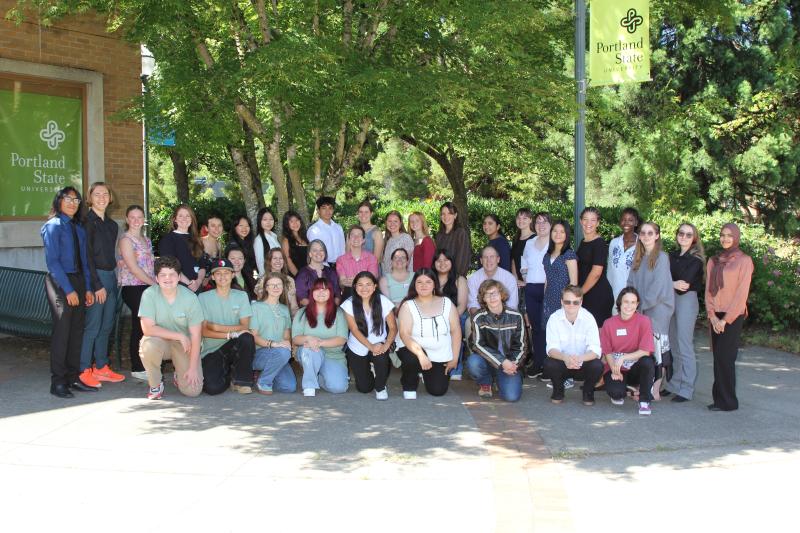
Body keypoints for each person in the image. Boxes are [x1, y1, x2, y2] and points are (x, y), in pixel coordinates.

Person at [41, 186, 96, 398]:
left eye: (76, 199)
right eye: (67, 199)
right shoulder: (53, 226)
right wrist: (69, 289)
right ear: (59, 201)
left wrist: (88, 288)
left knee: (77, 332)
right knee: (63, 333)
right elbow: (53, 263)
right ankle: (58, 382)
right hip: (60, 282)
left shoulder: (79, 228)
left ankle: (73, 378)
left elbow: (84, 262)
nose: (72, 203)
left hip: (80, 281)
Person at [138, 256, 204, 400]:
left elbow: (196, 336)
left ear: (179, 277)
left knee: (193, 391)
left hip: (185, 345)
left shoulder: (190, 298)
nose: (168, 278)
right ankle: (155, 384)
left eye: (172, 274)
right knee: (147, 345)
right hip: (161, 341)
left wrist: (192, 369)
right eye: (163, 275)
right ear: (156, 278)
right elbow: (148, 329)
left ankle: (179, 373)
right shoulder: (149, 294)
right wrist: (179, 335)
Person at [80, 182, 125, 387]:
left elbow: (108, 255)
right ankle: (84, 370)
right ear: (90, 197)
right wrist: (95, 285)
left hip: (110, 276)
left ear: (110, 197)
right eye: (96, 194)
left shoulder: (112, 225)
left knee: (107, 325)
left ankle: (101, 367)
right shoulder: (84, 222)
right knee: (93, 326)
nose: (101, 197)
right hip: (95, 278)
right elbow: (86, 257)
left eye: (105, 194)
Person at [705, 223, 753, 412]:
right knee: (718, 358)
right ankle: (719, 400)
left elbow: (742, 294)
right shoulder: (713, 261)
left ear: (736, 237)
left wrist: (725, 320)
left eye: (729, 235)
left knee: (726, 358)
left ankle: (729, 402)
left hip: (733, 315)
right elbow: (709, 291)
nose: (725, 238)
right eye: (722, 235)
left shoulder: (744, 261)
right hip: (715, 314)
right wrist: (712, 316)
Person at [627, 222, 675, 399]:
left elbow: (658, 289)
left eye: (650, 233)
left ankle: (655, 388)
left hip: (658, 309)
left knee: (657, 349)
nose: (646, 236)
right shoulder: (637, 256)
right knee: (644, 348)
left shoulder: (662, 257)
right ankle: (644, 385)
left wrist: (637, 307)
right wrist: (629, 302)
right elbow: (630, 282)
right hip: (640, 309)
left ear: (657, 236)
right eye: (643, 233)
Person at [396, 269, 462, 398]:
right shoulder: (407, 305)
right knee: (411, 359)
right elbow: (404, 334)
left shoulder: (447, 303)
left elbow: (456, 331)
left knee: (438, 391)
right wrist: (420, 355)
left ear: (434, 284)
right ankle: (409, 383)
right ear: (414, 285)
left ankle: (426, 373)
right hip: (413, 349)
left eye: (428, 282)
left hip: (440, 351)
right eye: (419, 282)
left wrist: (454, 358)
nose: (423, 285)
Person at [198, 258, 256, 395]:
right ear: (212, 277)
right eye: (218, 273)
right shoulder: (203, 297)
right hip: (212, 350)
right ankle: (230, 375)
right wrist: (229, 334)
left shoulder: (241, 296)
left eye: (226, 273)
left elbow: (245, 326)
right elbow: (204, 331)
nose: (222, 277)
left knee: (247, 338)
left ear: (233, 275)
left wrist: (216, 327)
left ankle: (241, 381)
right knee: (212, 389)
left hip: (235, 345)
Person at [543, 285, 604, 405]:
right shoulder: (554, 318)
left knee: (597, 365)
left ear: (581, 302)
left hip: (583, 363)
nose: (571, 305)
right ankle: (558, 390)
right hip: (563, 362)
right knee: (548, 363)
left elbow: (595, 350)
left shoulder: (589, 318)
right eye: (567, 302)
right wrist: (566, 358)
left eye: (575, 302)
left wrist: (579, 358)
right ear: (561, 302)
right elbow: (551, 349)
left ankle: (588, 391)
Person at [341, 272, 398, 400]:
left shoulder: (383, 301)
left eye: (368, 284)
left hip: (379, 344)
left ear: (375, 286)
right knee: (364, 388)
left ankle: (381, 386)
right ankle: (370, 372)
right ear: (355, 287)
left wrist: (386, 345)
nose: (364, 288)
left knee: (381, 357)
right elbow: (354, 330)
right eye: (360, 285)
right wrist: (370, 346)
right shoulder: (349, 303)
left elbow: (393, 328)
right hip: (357, 345)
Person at [600, 287, 656, 416]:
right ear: (619, 302)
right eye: (626, 302)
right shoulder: (608, 323)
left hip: (635, 367)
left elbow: (646, 351)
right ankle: (627, 389)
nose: (629, 306)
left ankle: (644, 401)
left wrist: (623, 358)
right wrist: (615, 369)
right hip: (615, 366)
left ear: (637, 304)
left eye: (633, 302)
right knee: (617, 395)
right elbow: (607, 351)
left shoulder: (644, 321)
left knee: (648, 362)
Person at [467, 280, 526, 402]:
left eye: (494, 293)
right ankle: (485, 383)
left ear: (501, 294)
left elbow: (522, 346)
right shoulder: (479, 317)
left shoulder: (516, 316)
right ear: (483, 299)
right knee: (473, 362)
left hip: (510, 363)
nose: (492, 297)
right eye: (487, 294)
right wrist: (501, 361)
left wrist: (513, 365)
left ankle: (504, 379)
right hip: (487, 361)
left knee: (511, 397)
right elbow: (477, 345)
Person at [666, 223, 705, 402]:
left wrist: (671, 283)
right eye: (681, 233)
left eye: (689, 235)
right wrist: (672, 283)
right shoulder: (671, 256)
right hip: (670, 299)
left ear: (694, 238)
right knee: (673, 343)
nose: (684, 237)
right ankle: (674, 383)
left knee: (684, 344)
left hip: (686, 301)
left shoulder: (696, 260)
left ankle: (686, 388)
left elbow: (684, 287)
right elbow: (666, 279)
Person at [117, 204, 156, 381]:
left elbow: (150, 265)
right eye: (132, 217)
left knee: (149, 326)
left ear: (144, 219)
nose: (136, 221)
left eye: (139, 217)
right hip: (133, 287)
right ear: (127, 219)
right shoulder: (125, 240)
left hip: (147, 286)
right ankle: (137, 366)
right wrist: (154, 283)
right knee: (140, 325)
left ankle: (149, 362)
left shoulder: (146, 240)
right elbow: (133, 268)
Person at [292, 277, 349, 396]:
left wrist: (319, 342)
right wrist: (309, 338)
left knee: (339, 388)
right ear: (312, 293)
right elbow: (296, 339)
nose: (321, 292)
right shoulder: (302, 312)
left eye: (325, 289)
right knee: (311, 350)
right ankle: (309, 386)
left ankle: (316, 375)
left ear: (331, 292)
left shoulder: (339, 313)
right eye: (317, 289)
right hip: (309, 352)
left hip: (333, 356)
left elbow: (342, 339)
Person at [250, 273, 297, 394]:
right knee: (282, 352)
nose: (276, 287)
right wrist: (273, 344)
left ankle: (266, 374)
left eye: (279, 285)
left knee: (289, 387)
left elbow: (286, 335)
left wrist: (286, 343)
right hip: (260, 353)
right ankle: (264, 381)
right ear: (266, 287)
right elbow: (253, 336)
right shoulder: (256, 307)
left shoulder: (284, 309)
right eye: (272, 285)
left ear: (283, 287)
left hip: (280, 354)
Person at [519, 212, 551, 375]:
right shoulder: (530, 243)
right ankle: (538, 363)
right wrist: (526, 278)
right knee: (536, 328)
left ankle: (548, 364)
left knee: (548, 327)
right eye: (538, 222)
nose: (541, 225)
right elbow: (523, 262)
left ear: (551, 225)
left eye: (545, 222)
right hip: (531, 289)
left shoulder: (555, 243)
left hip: (549, 290)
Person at [433, 248, 469, 380]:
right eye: (439, 260)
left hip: (456, 316)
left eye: (446, 260)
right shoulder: (430, 279)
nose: (442, 263)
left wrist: (448, 320)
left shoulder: (460, 280)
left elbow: (462, 305)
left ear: (451, 262)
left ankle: (455, 367)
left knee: (454, 328)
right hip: (434, 317)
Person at [576, 207, 614, 327]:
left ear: (598, 223)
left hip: (598, 295)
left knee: (597, 336)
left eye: (593, 220)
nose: (589, 223)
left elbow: (596, 272)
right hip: (586, 295)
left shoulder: (599, 243)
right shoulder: (583, 242)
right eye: (586, 219)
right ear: (581, 221)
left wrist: (580, 292)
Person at [158, 204, 207, 293]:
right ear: (175, 219)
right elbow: (170, 266)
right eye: (180, 216)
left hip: (197, 287)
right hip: (178, 288)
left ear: (192, 219)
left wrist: (198, 282)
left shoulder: (196, 240)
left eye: (187, 216)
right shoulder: (168, 240)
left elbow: (202, 266)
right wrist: (189, 284)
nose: (184, 218)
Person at [467, 246, 519, 314]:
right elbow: (473, 304)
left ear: (498, 259)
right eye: (485, 257)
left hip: (506, 318)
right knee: (468, 323)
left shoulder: (509, 278)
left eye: (492, 257)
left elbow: (512, 305)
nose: (489, 260)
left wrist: (498, 320)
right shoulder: (473, 279)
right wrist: (483, 320)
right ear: (481, 261)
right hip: (481, 317)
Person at [607, 207, 640, 305]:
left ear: (636, 223)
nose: (626, 223)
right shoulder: (614, 243)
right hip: (614, 294)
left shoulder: (641, 244)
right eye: (623, 219)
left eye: (630, 220)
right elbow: (610, 270)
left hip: (634, 295)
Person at [336, 225, 379, 300]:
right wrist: (362, 282)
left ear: (363, 240)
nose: (356, 237)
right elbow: (343, 282)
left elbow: (372, 280)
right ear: (348, 239)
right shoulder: (341, 260)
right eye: (353, 235)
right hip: (349, 295)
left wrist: (354, 281)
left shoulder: (372, 258)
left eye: (359, 235)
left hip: (368, 294)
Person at [296, 239, 341, 306]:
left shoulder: (331, 272)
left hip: (331, 312)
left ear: (325, 253)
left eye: (321, 250)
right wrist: (320, 310)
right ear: (310, 254)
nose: (318, 253)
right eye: (315, 250)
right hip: (310, 312)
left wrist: (331, 310)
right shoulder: (303, 273)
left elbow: (337, 295)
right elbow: (302, 299)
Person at [434, 201, 471, 277]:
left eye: (449, 213)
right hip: (440, 277)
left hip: (455, 279)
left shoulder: (461, 233)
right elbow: (436, 258)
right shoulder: (439, 235)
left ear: (455, 215)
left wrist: (455, 278)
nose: (446, 216)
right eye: (443, 214)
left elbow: (463, 260)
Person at [260, 248, 299, 316]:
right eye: (274, 258)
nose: (278, 261)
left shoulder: (290, 280)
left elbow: (294, 307)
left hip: (288, 319)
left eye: (281, 258)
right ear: (269, 261)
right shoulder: (263, 280)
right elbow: (261, 306)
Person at [307, 196, 345, 264]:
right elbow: (314, 252)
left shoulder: (338, 228)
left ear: (333, 210)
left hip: (340, 265)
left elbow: (343, 249)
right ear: (318, 210)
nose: (327, 211)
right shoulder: (314, 230)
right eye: (324, 208)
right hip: (323, 267)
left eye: (330, 208)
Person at [381, 210, 415, 274]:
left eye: (395, 221)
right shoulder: (388, 240)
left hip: (401, 280)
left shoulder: (406, 238)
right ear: (386, 223)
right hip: (388, 279)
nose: (392, 224)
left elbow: (407, 262)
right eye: (389, 221)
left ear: (400, 223)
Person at [228, 215, 258, 284]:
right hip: (240, 281)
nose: (244, 229)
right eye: (241, 225)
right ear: (235, 227)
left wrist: (256, 277)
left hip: (251, 280)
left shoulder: (248, 244)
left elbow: (253, 266)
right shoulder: (233, 246)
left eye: (247, 226)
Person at [254, 207, 281, 277]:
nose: (268, 222)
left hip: (278, 274)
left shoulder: (274, 236)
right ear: (260, 221)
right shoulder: (259, 240)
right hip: (268, 278)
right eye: (265, 219)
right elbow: (260, 263)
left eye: (271, 219)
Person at [510, 208, 535, 284]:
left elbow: (536, 263)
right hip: (518, 283)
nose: (521, 221)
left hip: (531, 282)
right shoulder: (515, 239)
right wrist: (515, 279)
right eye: (518, 218)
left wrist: (526, 282)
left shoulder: (535, 239)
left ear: (530, 220)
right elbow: (514, 260)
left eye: (525, 218)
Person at [281, 210, 309, 276]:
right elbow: (287, 260)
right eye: (291, 221)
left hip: (308, 273)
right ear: (287, 224)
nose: (295, 223)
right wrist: (298, 276)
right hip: (296, 275)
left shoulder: (306, 237)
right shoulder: (286, 240)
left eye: (297, 220)